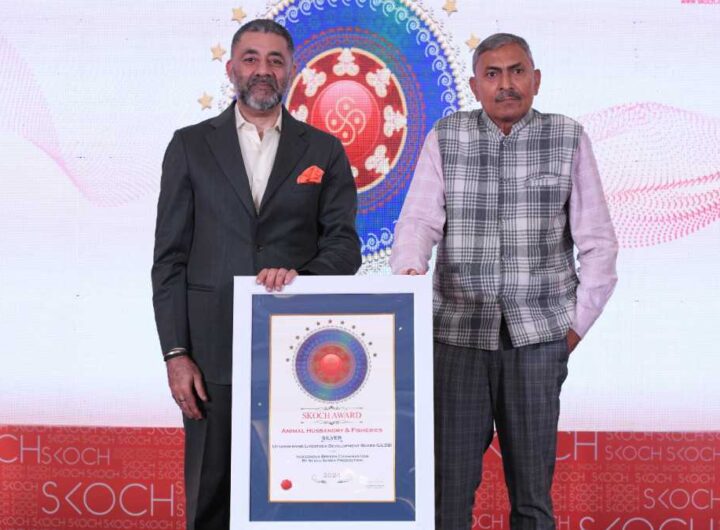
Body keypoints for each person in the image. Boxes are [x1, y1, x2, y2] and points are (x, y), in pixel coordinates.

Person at [390, 33, 618, 530]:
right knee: (446, 496)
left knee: (533, 499)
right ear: (475, 86)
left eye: (517, 72)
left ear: (536, 80)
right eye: (492, 74)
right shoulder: (445, 136)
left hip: (538, 342)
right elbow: (417, 224)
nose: (506, 84)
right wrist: (408, 279)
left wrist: (572, 330)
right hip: (455, 340)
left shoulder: (567, 137)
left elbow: (599, 243)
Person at [151, 19, 361, 530]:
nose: (262, 70)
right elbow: (169, 259)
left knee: (293, 500)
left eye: (274, 60)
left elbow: (345, 247)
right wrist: (176, 354)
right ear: (231, 69)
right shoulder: (189, 145)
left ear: (291, 71)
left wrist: (300, 279)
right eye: (251, 58)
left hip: (301, 354)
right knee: (210, 500)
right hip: (211, 353)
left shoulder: (324, 149)